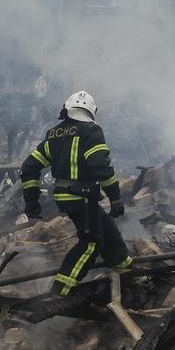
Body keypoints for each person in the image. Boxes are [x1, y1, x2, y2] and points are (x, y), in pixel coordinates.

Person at [20, 91, 132, 296]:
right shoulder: (91, 131)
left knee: (108, 230)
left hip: (64, 195)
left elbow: (29, 168)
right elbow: (100, 167)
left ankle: (125, 270)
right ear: (91, 111)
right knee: (91, 242)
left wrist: (32, 205)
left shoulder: (54, 133)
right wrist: (115, 196)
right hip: (81, 196)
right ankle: (60, 290)